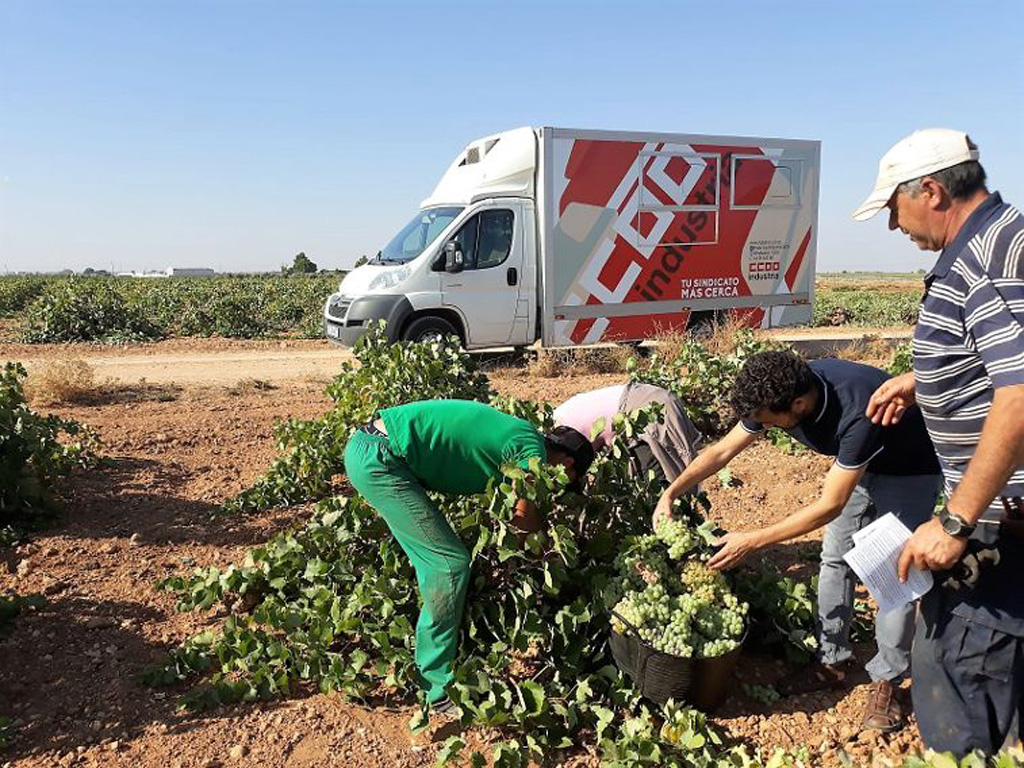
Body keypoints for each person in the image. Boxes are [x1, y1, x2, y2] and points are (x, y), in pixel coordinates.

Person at [653, 350, 942, 732]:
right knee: (836, 558)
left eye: (768, 422)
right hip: (856, 462)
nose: (764, 427)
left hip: (911, 468)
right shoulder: (775, 390)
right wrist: (671, 492)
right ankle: (832, 660)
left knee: (893, 569)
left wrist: (753, 541)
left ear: (799, 405)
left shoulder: (857, 408)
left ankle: (887, 678)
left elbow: (829, 505)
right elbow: (722, 450)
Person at [855, 128, 1024, 756]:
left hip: (999, 527)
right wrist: (926, 380)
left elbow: (1019, 394)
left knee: (958, 691)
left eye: (893, 208)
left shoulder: (983, 261)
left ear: (930, 190)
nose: (893, 226)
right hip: (999, 516)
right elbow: (997, 362)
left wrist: (956, 520)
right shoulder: (1004, 237)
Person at [343, 399, 594, 715]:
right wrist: (553, 566)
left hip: (375, 447)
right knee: (448, 566)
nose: (558, 489)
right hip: (381, 460)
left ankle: (439, 646)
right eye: (567, 483)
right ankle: (435, 688)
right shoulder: (532, 453)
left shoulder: (522, 438)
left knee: (438, 554)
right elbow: (522, 521)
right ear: (568, 465)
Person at [553, 383, 703, 488]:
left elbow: (572, 473)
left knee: (659, 487)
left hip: (647, 410)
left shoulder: (559, 437)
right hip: (645, 400)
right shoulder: (555, 427)